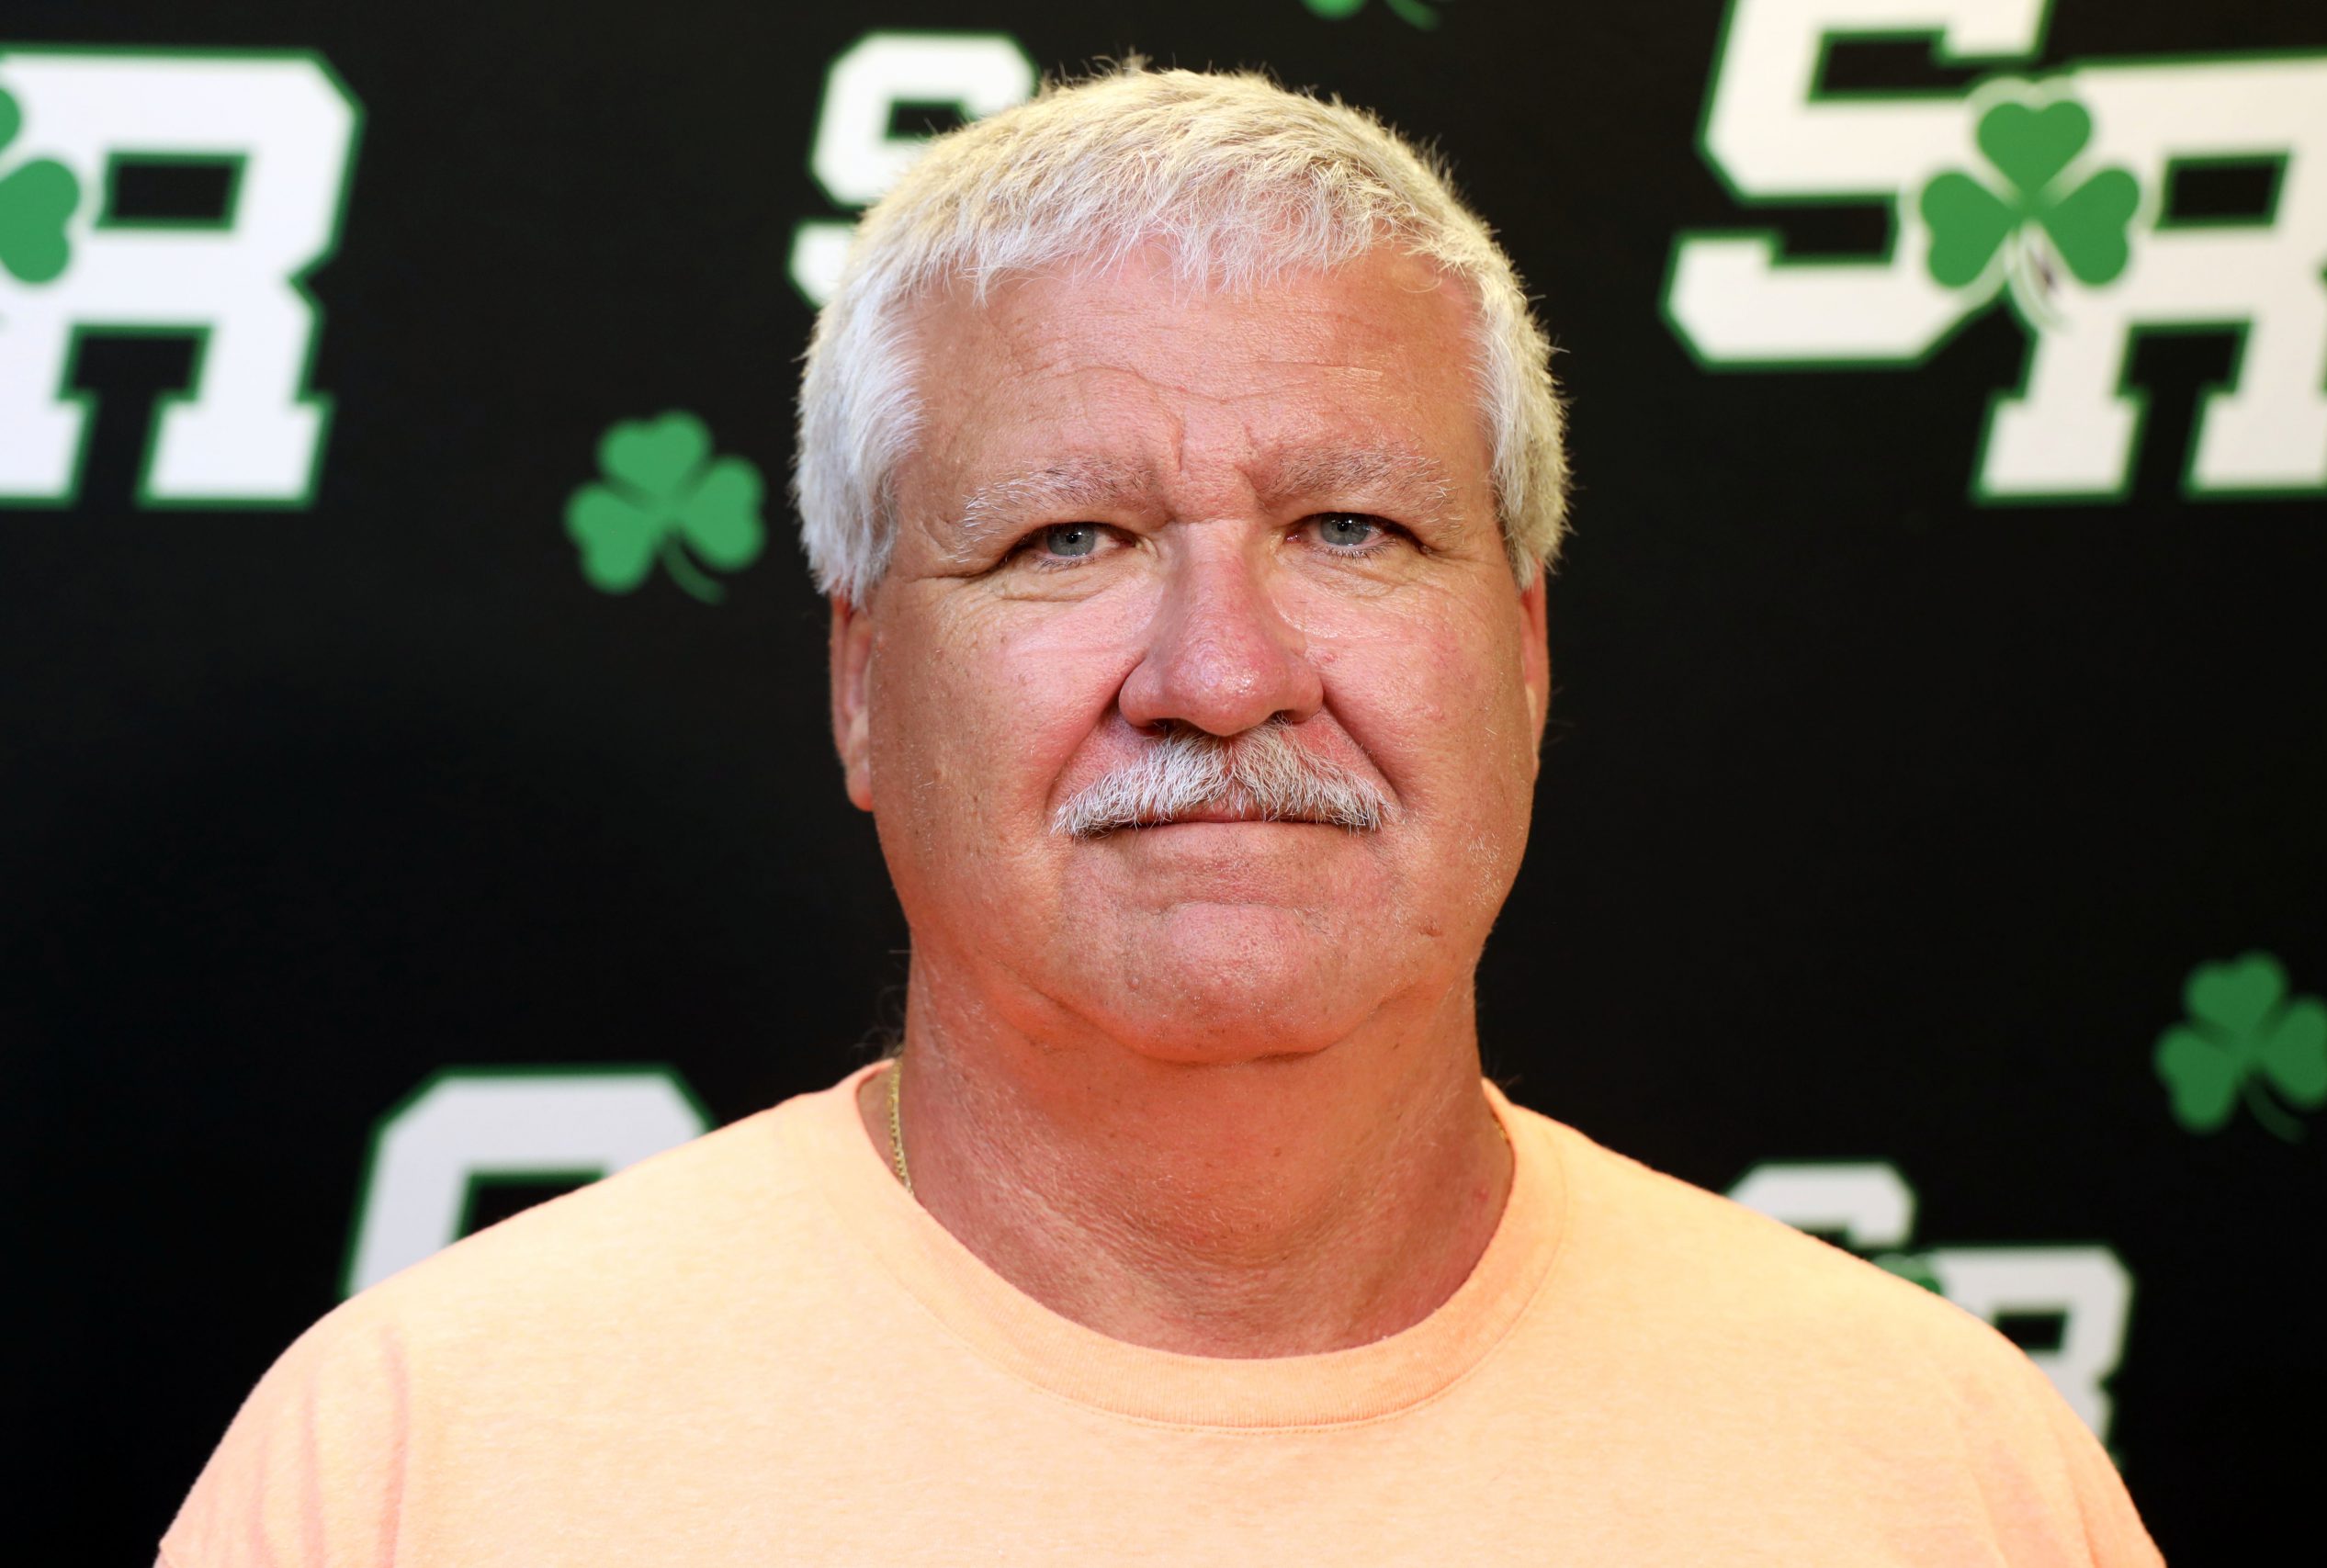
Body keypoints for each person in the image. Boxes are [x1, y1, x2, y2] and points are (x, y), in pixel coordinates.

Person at [163, 65, 2161, 1564]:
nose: (1217, 671)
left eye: (1350, 526)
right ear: (860, 677)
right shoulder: (424, 1459)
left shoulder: (1939, 1470)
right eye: (1068, 535)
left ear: (1526, 650)